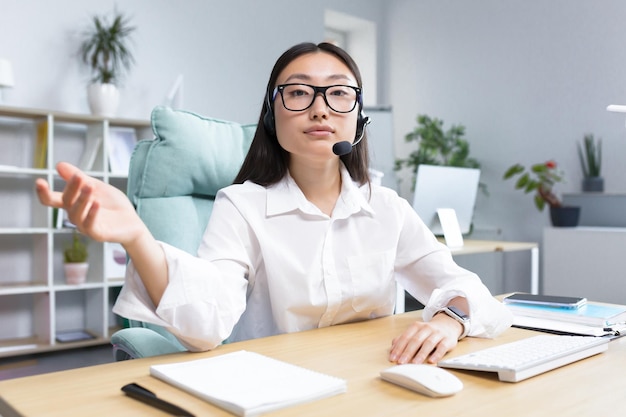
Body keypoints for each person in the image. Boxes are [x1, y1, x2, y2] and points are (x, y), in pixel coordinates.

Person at [36, 42, 512, 365]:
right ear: (271, 114)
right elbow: (207, 323)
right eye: (299, 92)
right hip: (276, 390)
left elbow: (464, 287)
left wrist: (452, 320)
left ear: (359, 119)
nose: (320, 107)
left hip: (377, 380)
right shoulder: (241, 206)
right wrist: (138, 237)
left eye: (339, 94)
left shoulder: (385, 207)